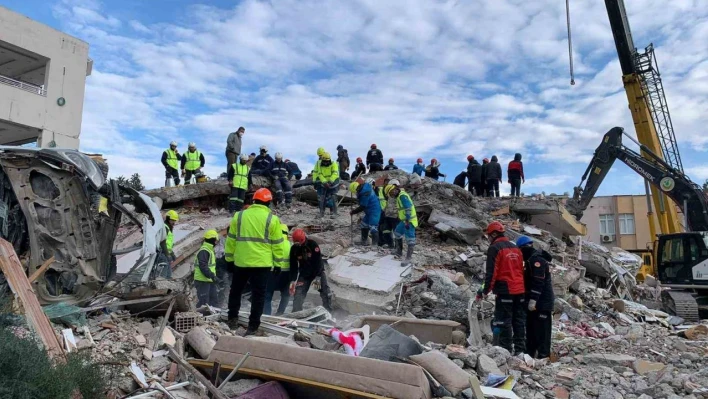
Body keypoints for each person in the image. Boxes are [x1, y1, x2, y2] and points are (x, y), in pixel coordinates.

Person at [225, 188, 286, 335]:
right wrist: (278, 263)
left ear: (254, 201)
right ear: (269, 202)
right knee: (259, 296)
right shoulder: (272, 219)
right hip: (262, 264)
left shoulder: (239, 216)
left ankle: (232, 319)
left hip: (241, 261)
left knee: (236, 291)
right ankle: (253, 327)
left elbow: (231, 240)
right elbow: (278, 244)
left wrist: (229, 259)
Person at [476, 221, 526, 355]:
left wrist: (485, 291)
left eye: (488, 236)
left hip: (505, 290)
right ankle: (520, 350)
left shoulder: (495, 248)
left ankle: (506, 351)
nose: (488, 239)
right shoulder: (516, 248)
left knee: (504, 321)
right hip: (520, 290)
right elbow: (520, 270)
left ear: (493, 234)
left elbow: (492, 273)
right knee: (519, 321)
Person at [517, 236, 554, 359]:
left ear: (523, 248)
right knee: (532, 329)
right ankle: (530, 354)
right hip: (534, 302)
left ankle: (543, 356)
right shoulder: (530, 260)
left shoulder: (537, 261)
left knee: (542, 331)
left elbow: (538, 282)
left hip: (542, 303)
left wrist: (533, 300)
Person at [289, 228, 333, 312]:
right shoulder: (294, 249)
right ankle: (296, 314)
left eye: (299, 242)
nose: (298, 244)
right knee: (298, 294)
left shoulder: (312, 244)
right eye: (296, 242)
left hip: (317, 273)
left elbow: (318, 261)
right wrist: (292, 280)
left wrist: (317, 278)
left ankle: (328, 312)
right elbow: (293, 266)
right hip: (304, 275)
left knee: (325, 293)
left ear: (303, 239)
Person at [385, 183, 417, 267]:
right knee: (397, 233)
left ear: (394, 189)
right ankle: (399, 252)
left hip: (409, 221)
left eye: (392, 193)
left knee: (410, 239)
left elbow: (408, 208)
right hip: (404, 220)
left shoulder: (402, 196)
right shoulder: (399, 196)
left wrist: (407, 220)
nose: (392, 195)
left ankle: (408, 258)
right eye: (391, 194)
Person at [264, 224, 292, 315]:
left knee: (267, 295)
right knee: (285, 295)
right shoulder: (290, 244)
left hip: (273, 272)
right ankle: (280, 313)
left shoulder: (272, 242)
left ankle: (267, 315)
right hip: (286, 273)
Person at [349, 181, 381, 246]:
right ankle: (364, 241)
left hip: (374, 211)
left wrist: (353, 212)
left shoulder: (365, 193)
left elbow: (363, 206)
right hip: (369, 212)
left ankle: (375, 245)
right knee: (363, 224)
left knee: (373, 227)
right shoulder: (365, 187)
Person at [194, 229, 220, 308]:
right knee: (204, 304)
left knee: (214, 301)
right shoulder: (204, 251)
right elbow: (203, 266)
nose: (216, 242)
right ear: (213, 240)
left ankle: (214, 318)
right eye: (216, 240)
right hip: (202, 281)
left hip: (208, 280)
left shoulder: (209, 250)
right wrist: (212, 276)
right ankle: (201, 319)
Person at [315, 152, 340, 218]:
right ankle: (321, 213)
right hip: (325, 182)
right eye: (325, 161)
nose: (326, 163)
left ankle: (335, 213)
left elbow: (335, 173)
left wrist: (330, 182)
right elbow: (320, 174)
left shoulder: (333, 163)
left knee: (333, 197)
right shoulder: (319, 164)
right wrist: (324, 182)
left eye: (327, 161)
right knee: (322, 197)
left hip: (334, 180)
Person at [379, 179, 399, 248]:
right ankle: (390, 245)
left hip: (396, 217)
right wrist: (384, 212)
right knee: (385, 230)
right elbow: (387, 205)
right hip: (388, 216)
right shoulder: (389, 195)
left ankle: (397, 248)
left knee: (397, 233)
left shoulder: (400, 196)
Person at [159, 210, 179, 278]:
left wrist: (172, 253)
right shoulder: (165, 227)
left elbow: (168, 244)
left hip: (165, 252)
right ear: (168, 219)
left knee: (168, 273)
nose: (174, 222)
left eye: (174, 220)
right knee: (164, 274)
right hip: (162, 253)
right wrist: (168, 255)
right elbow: (162, 242)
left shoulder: (168, 227)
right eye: (172, 220)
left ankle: (167, 285)